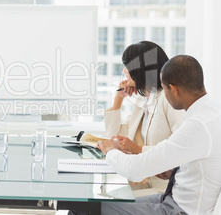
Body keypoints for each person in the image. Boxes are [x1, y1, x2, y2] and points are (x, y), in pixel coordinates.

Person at [71, 55, 221, 215]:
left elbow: (134, 170)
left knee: (85, 209)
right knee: (87, 205)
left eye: (165, 89)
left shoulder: (197, 126)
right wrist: (172, 170)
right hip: (169, 199)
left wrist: (111, 151)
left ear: (174, 89)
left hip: (176, 210)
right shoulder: (210, 113)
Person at [104, 41, 185, 195]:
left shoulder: (168, 100)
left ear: (140, 69)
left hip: (163, 188)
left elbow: (180, 150)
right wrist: (118, 99)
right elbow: (114, 137)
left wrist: (138, 150)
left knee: (99, 204)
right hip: (144, 182)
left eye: (128, 67)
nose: (124, 71)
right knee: (96, 198)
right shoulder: (145, 100)